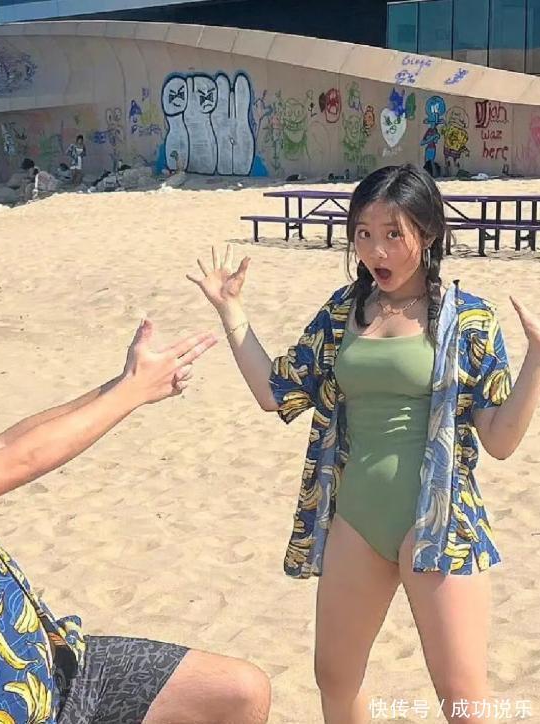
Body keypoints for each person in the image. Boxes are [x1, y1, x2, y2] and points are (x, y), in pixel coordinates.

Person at [188, 164, 540, 723]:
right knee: (334, 676)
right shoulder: (343, 311)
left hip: (438, 522)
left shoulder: (468, 318)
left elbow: (499, 439)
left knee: (463, 701)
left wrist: (537, 359)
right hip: (355, 518)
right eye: (364, 233)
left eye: (394, 233)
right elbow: (276, 392)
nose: (377, 250)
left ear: (428, 233)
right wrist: (231, 310)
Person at [0, 320, 271, 724]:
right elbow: (25, 460)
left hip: (61, 666)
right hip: (1, 707)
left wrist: (126, 383)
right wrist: (133, 393)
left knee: (240, 690)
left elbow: (5, 442)